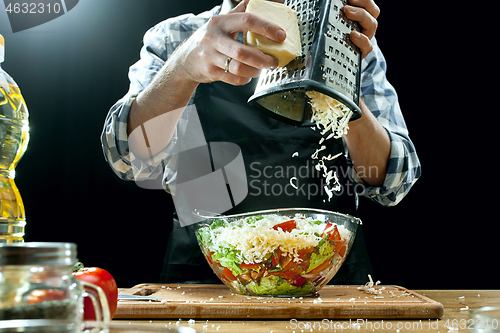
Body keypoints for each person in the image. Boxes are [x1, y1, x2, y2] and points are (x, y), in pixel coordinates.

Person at [101, 0, 421, 284]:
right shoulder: (176, 36)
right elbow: (129, 158)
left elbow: (394, 180)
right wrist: (183, 67)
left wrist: (338, 77)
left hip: (325, 272)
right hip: (207, 275)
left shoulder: (345, 39)